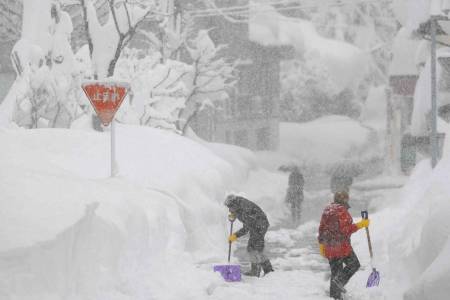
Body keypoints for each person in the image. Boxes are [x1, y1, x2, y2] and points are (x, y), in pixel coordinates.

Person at [318, 191, 370, 300]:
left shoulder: (327, 210)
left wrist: (321, 244)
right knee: (354, 264)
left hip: (329, 247)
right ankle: (340, 282)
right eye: (347, 199)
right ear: (344, 200)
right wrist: (361, 224)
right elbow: (345, 230)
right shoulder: (341, 211)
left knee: (335, 272)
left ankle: (335, 296)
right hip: (340, 247)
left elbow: (321, 228)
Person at [225, 194, 274, 277]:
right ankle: (268, 270)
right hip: (258, 225)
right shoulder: (239, 206)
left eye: (230, 207)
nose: (229, 210)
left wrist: (235, 236)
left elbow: (246, 228)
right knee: (257, 248)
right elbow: (247, 224)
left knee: (252, 248)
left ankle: (256, 271)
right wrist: (235, 215)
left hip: (259, 226)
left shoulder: (245, 208)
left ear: (233, 204)